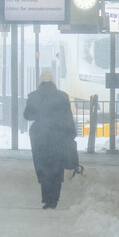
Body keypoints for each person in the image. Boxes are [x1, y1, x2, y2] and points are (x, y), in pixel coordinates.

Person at [23, 73, 79, 209]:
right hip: (58, 136)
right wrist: (71, 134)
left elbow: (27, 115)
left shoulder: (33, 96)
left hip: (40, 136)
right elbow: (68, 117)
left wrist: (40, 114)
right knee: (57, 166)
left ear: (40, 81)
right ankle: (54, 199)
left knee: (43, 166)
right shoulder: (62, 96)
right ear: (53, 82)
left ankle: (46, 197)